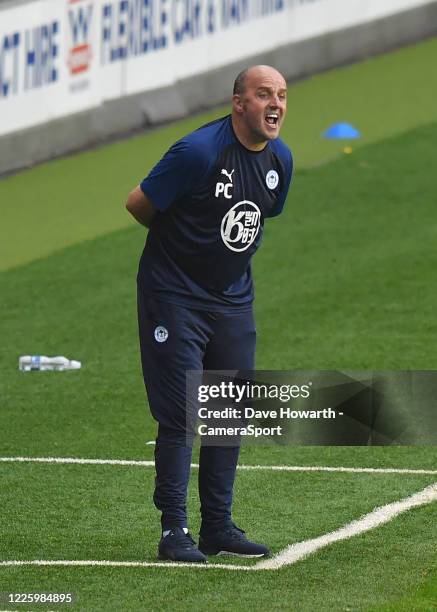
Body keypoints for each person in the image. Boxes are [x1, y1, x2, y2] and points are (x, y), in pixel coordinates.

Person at [126, 65, 293, 563]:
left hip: (233, 299)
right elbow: (139, 204)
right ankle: (173, 531)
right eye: (264, 94)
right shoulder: (197, 152)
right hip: (173, 295)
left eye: (282, 96)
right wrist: (180, 250)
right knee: (180, 414)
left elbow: (264, 213)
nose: (276, 105)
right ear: (239, 102)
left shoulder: (279, 159)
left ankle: (217, 527)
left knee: (229, 413)